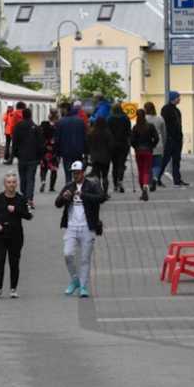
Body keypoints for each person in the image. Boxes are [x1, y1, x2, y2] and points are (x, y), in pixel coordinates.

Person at [56, 162, 106, 298]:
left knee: (85, 259)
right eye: (73, 173)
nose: (75, 175)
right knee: (67, 254)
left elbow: (102, 198)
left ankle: (83, 286)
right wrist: (63, 197)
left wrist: (83, 195)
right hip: (71, 227)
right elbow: (57, 203)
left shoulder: (92, 185)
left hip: (87, 227)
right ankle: (75, 279)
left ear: (83, 172)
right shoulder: (69, 186)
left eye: (77, 172)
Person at [0, 172, 32, 297]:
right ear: (4, 184)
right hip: (0, 235)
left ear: (16, 184)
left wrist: (16, 210)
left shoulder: (21, 199)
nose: (11, 185)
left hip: (16, 235)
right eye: (9, 182)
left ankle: (13, 289)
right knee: (0, 260)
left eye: (13, 182)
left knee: (14, 262)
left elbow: (29, 216)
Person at [12, 105, 41, 206]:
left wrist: (14, 153)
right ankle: (29, 198)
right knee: (31, 178)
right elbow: (40, 143)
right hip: (33, 157)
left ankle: (24, 196)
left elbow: (14, 141)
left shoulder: (18, 127)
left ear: (22, 116)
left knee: (23, 177)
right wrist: (40, 156)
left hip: (22, 156)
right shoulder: (36, 128)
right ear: (31, 116)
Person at [53, 104, 86, 193]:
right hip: (78, 151)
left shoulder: (60, 122)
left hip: (66, 151)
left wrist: (56, 153)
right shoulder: (80, 121)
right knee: (78, 171)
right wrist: (86, 151)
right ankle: (78, 189)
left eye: (62, 109)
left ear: (65, 110)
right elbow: (85, 137)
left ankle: (69, 190)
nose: (61, 111)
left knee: (68, 173)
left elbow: (57, 139)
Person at [131, 107, 159, 201]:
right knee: (147, 170)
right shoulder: (150, 126)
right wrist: (152, 145)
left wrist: (135, 147)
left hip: (139, 151)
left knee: (140, 170)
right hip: (148, 151)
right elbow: (156, 138)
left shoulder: (135, 127)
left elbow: (132, 140)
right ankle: (146, 186)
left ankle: (142, 189)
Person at [160, 92, 187, 186]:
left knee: (176, 160)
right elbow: (166, 124)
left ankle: (177, 180)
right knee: (165, 159)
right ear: (173, 98)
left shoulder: (176, 110)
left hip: (177, 139)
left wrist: (180, 136)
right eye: (178, 97)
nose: (179, 99)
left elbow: (178, 125)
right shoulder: (166, 109)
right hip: (170, 139)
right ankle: (157, 177)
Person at [107, 103, 132, 193]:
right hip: (123, 144)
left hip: (113, 145)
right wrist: (129, 142)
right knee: (121, 164)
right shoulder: (126, 118)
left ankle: (115, 185)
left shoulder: (109, 119)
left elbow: (107, 132)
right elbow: (129, 132)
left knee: (115, 165)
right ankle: (120, 180)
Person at [145, 102, 167, 190]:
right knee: (157, 164)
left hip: (147, 144)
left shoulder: (143, 118)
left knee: (149, 165)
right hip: (158, 143)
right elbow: (164, 132)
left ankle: (150, 182)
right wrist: (164, 143)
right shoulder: (160, 119)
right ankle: (155, 178)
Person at [86, 116, 112, 190]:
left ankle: (99, 191)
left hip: (95, 158)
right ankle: (105, 192)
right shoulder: (107, 133)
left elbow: (88, 144)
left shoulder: (91, 133)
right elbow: (111, 145)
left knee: (97, 176)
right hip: (105, 157)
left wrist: (89, 154)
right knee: (105, 175)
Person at [39, 110, 59, 192]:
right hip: (53, 151)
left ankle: (43, 181)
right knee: (53, 169)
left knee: (43, 168)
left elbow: (40, 137)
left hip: (44, 150)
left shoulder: (44, 125)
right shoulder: (57, 126)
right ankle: (51, 186)